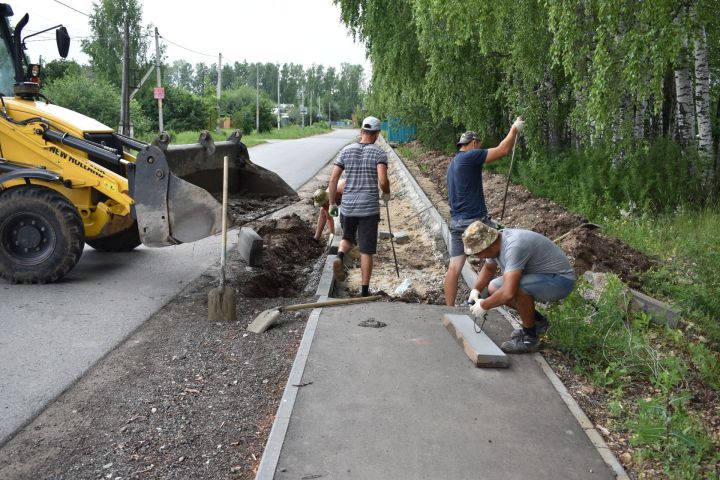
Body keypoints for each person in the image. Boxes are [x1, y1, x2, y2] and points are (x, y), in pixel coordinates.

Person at [443, 117, 525, 306]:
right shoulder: (471, 156)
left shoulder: (453, 163)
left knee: (454, 267)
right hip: (475, 221)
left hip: (456, 222)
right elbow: (503, 150)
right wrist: (513, 130)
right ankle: (493, 296)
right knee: (501, 252)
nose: (480, 148)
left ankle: (450, 309)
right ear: (473, 144)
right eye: (478, 145)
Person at [461, 221, 576, 353]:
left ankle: (530, 339)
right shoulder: (495, 246)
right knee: (494, 287)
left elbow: (508, 293)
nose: (477, 256)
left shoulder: (514, 246)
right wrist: (475, 290)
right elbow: (488, 268)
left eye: (477, 252)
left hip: (560, 280)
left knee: (516, 287)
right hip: (540, 277)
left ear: (487, 244)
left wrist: (484, 305)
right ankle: (537, 323)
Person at [327, 116, 390, 297]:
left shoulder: (346, 151)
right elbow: (383, 180)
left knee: (348, 238)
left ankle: (339, 257)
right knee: (366, 250)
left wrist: (332, 203)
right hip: (368, 208)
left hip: (348, 206)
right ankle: (364, 291)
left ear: (361, 131)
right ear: (376, 134)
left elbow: (333, 179)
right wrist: (386, 192)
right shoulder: (379, 153)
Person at [312, 179, 346, 243]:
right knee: (323, 211)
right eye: (321, 205)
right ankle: (316, 238)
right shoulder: (325, 204)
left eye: (324, 204)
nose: (323, 206)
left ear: (327, 199)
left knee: (341, 225)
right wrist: (332, 235)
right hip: (340, 202)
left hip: (353, 197)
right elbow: (330, 219)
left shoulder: (339, 188)